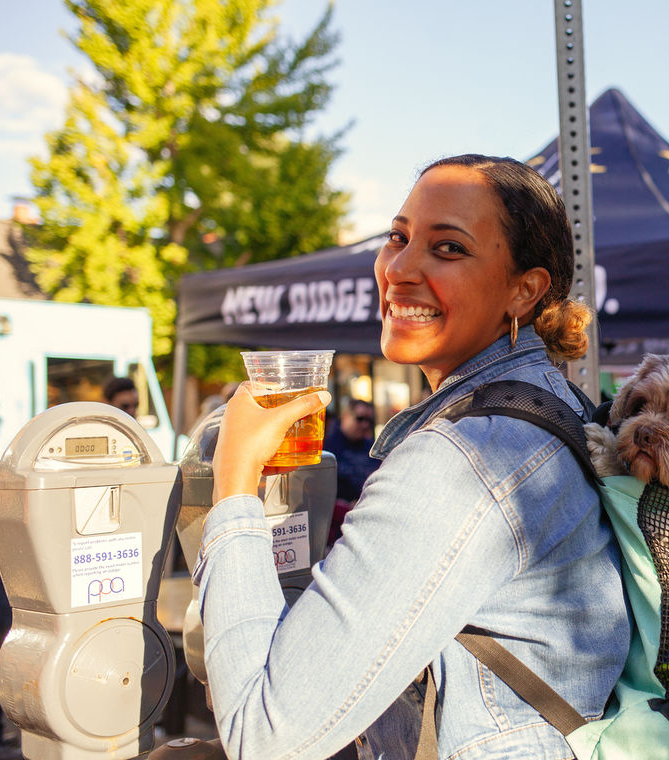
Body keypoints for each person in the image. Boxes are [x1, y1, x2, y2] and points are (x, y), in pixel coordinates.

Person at [197, 154, 631, 759]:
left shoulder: (469, 456)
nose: (399, 269)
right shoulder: (555, 402)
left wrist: (235, 484)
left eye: (447, 248)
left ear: (524, 290)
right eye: (397, 238)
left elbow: (266, 736)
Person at [324, 399, 380, 545]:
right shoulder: (327, 448)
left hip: (368, 524)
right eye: (360, 418)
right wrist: (345, 507)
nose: (365, 425)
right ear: (345, 416)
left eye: (369, 420)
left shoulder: (373, 448)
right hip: (335, 531)